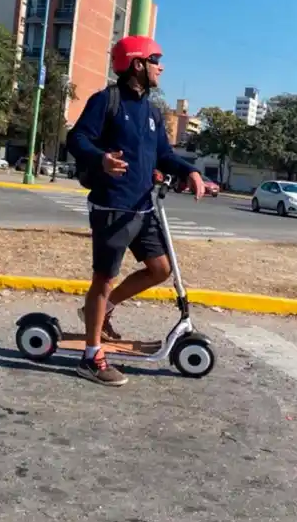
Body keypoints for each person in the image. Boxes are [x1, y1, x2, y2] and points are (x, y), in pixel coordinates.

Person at [66, 35, 205, 388]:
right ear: (137, 64)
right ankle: (91, 357)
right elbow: (77, 139)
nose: (162, 66)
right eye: (156, 59)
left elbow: (164, 155)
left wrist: (189, 170)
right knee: (103, 278)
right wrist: (101, 158)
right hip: (112, 205)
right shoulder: (106, 101)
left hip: (143, 206)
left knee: (160, 269)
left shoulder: (153, 111)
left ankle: (101, 310)